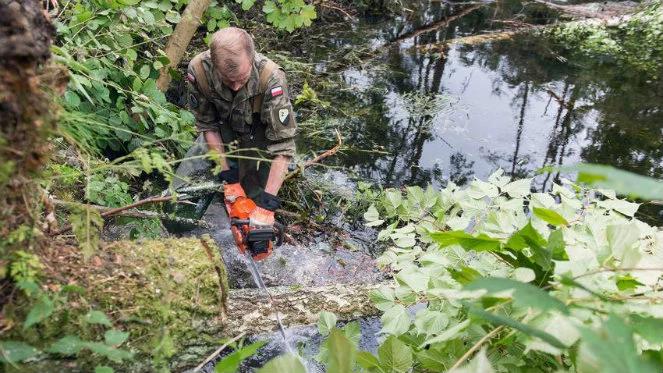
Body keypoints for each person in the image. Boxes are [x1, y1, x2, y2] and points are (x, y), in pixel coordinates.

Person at [186, 27, 296, 232]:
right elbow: (207, 125)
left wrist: (268, 205)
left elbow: (283, 147)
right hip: (219, 136)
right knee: (185, 194)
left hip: (259, 139)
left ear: (252, 57)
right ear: (214, 65)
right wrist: (227, 174)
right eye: (228, 80)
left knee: (255, 209)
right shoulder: (199, 71)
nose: (236, 87)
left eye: (242, 78)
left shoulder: (271, 79)